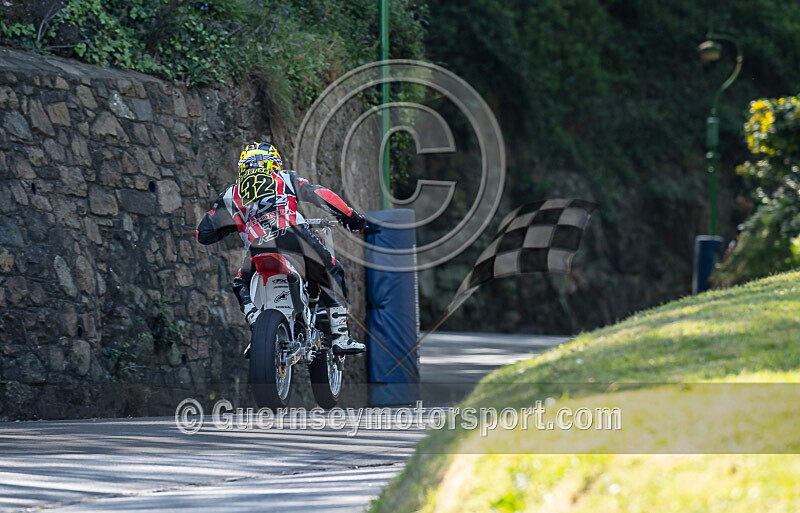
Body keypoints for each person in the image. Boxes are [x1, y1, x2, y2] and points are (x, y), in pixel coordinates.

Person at [195, 142, 367, 355]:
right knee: (332, 270)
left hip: (258, 246)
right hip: (293, 236)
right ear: (273, 164)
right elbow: (323, 195)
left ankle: (258, 327)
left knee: (241, 283)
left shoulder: (232, 194)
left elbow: (203, 234)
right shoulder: (285, 178)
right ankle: (341, 337)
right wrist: (351, 216)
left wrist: (236, 220)